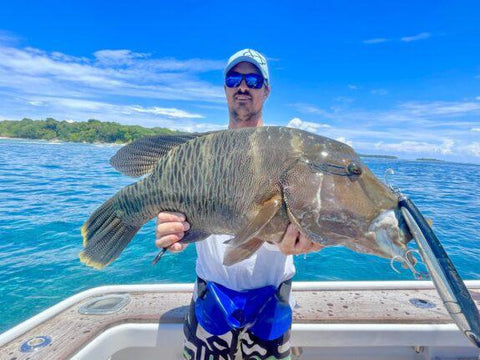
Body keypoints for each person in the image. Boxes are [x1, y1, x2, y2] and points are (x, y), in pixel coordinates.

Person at [155, 49, 321, 360]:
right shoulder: (200, 155)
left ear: (266, 90)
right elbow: (185, 216)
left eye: (253, 79)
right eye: (234, 79)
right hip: (210, 303)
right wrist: (172, 229)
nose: (242, 86)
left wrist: (307, 238)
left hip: (272, 306)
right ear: (225, 88)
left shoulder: (287, 155)